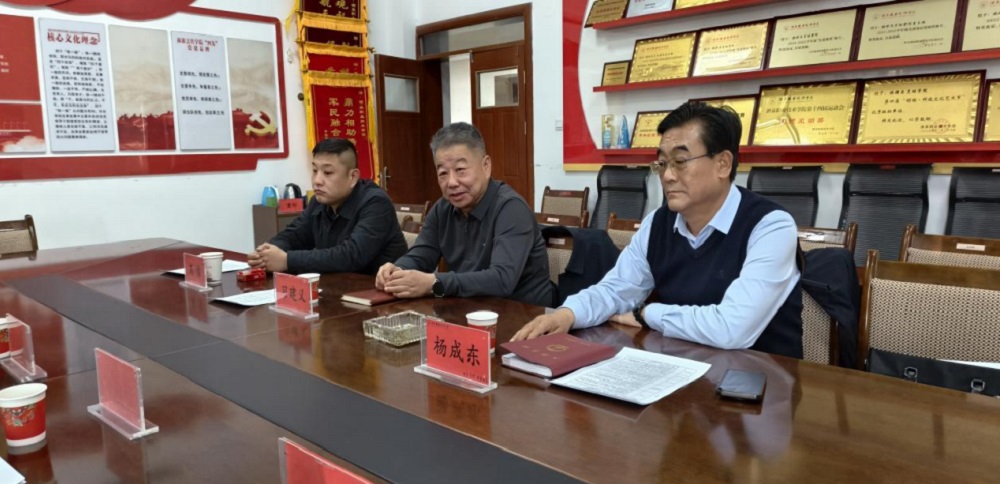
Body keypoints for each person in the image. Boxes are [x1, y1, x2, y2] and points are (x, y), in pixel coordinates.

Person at [511, 102, 803, 359]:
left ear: (723, 164)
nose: (668, 176)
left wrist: (646, 313)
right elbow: (616, 289)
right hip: (683, 373)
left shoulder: (770, 226)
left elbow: (732, 328)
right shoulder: (658, 224)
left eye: (680, 162)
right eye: (662, 163)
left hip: (761, 384)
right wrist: (568, 314)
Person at [374, 122, 553, 307]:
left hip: (522, 315)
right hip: (467, 311)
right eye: (443, 173)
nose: (451, 182)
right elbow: (421, 255)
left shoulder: (511, 209)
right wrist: (398, 270)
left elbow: (501, 280)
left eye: (460, 170)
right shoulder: (443, 209)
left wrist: (434, 283)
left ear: (486, 166)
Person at [249, 138, 407, 275]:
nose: (317, 181)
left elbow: (351, 256)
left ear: (352, 177)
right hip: (338, 288)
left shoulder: (376, 203)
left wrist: (287, 260)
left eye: (328, 173)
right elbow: (294, 235)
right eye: (314, 170)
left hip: (379, 292)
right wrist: (267, 253)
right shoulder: (318, 201)